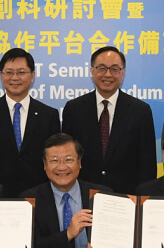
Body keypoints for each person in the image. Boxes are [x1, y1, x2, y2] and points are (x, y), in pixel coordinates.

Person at [62, 46, 157, 193]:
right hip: (83, 195)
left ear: (123, 73)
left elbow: (147, 165)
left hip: (126, 197)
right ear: (92, 71)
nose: (108, 74)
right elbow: (67, 156)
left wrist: (141, 199)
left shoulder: (140, 111)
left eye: (114, 69)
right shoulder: (74, 109)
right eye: (102, 68)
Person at [0, 48, 61, 196]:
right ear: (1, 75)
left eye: (21, 72)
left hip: (38, 194)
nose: (14, 78)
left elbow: (53, 158)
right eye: (9, 72)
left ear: (32, 76)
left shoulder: (48, 115)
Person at [23, 133, 114, 248]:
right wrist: (68, 234)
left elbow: (116, 242)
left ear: (80, 162)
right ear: (45, 165)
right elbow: (30, 247)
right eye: (54, 160)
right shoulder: (30, 200)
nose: (62, 167)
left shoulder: (103, 195)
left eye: (69, 160)